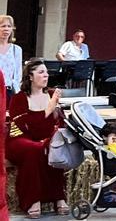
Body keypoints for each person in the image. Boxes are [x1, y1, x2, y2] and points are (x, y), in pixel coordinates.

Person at [8, 59, 67, 217]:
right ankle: (32, 199)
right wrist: (49, 108)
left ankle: (58, 197)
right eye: (41, 72)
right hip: (19, 139)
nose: (46, 75)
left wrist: (52, 135)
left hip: (44, 139)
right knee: (35, 149)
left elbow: (59, 123)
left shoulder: (51, 94)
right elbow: (27, 128)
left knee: (52, 147)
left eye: (47, 72)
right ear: (30, 77)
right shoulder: (19, 98)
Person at [0, 14, 23, 95]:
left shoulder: (16, 49)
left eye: (9, 26)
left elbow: (18, 73)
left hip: (9, 91)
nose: (6, 29)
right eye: (3, 26)